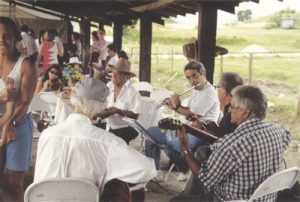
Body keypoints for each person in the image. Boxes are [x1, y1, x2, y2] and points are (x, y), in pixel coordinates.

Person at [34, 78, 156, 198]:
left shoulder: (47, 135)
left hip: (43, 198)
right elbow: (147, 169)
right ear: (101, 108)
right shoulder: (107, 141)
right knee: (120, 187)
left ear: (74, 100)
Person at [171, 85, 291, 202]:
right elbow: (285, 139)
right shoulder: (278, 131)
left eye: (233, 107)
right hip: (265, 198)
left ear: (246, 112)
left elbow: (204, 179)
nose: (229, 109)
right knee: (205, 154)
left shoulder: (231, 144)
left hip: (229, 199)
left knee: (176, 200)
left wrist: (185, 148)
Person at [145, 61, 219, 181]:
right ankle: (154, 172)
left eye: (195, 76)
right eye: (188, 78)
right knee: (150, 133)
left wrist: (176, 106)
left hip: (201, 133)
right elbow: (186, 112)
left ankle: (186, 169)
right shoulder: (196, 90)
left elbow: (191, 114)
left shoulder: (210, 92)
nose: (192, 81)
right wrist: (172, 106)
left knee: (170, 146)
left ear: (203, 74)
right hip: (187, 128)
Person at [0, 17, 37, 201]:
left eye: (7, 36)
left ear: (15, 38)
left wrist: (10, 123)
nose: (1, 40)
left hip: (18, 124)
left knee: (13, 184)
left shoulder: (26, 64)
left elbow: (23, 102)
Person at [99, 58, 141, 145]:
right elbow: (101, 102)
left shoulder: (132, 92)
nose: (114, 75)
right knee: (92, 132)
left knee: (110, 144)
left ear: (126, 77)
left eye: (118, 73)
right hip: (109, 126)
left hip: (126, 128)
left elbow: (135, 115)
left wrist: (118, 111)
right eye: (113, 72)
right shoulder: (109, 86)